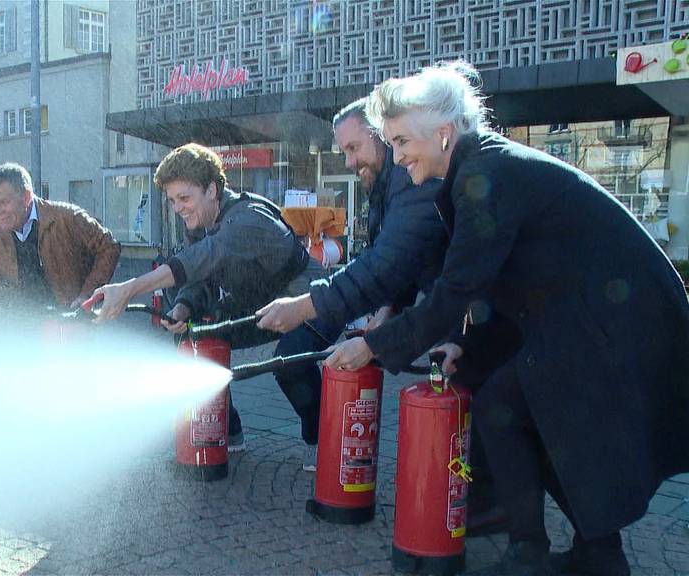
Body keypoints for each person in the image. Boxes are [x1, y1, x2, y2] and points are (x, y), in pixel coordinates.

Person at [326, 61, 689, 576]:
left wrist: (373, 344)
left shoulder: (483, 174)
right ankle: (596, 556)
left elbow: (459, 286)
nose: (398, 154)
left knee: (507, 402)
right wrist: (462, 344)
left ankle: (535, 554)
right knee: (516, 404)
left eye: (403, 140)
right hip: (596, 314)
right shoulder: (480, 168)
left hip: (618, 318)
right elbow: (500, 283)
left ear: (444, 133)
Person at [91, 143, 325, 453]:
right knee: (194, 339)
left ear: (212, 189)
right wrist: (184, 306)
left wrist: (129, 289)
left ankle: (320, 441)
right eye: (172, 200)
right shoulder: (201, 223)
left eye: (185, 198)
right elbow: (201, 276)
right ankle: (229, 433)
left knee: (291, 362)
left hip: (311, 299)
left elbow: (201, 259)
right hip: (263, 305)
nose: (178, 208)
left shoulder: (247, 219)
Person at [253, 98, 446, 472]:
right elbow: (399, 262)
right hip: (423, 306)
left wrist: (307, 306)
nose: (348, 162)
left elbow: (390, 263)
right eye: (343, 152)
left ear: (384, 136)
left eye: (354, 148)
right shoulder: (385, 186)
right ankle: (327, 444)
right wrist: (388, 311)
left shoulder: (409, 178)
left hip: (470, 309)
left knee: (487, 412)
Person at [0, 162, 120, 321]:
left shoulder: (67, 217)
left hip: (67, 319)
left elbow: (109, 247)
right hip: (22, 321)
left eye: (4, 202)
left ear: (26, 197)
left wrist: (87, 295)